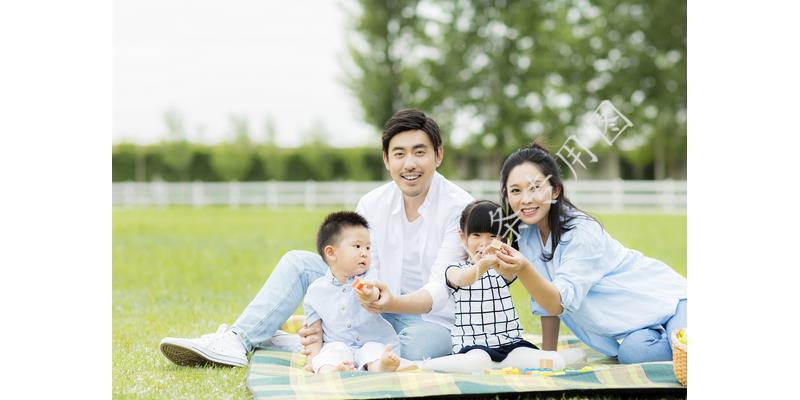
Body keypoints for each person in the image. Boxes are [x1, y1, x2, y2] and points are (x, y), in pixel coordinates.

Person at [159, 109, 474, 367]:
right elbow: (358, 269)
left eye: (420, 153)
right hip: (369, 305)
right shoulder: (372, 203)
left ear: (438, 155)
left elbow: (441, 290)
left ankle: (302, 342)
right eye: (399, 154)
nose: (410, 164)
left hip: (425, 319)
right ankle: (239, 339)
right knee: (299, 263)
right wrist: (346, 303)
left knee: (423, 349)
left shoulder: (460, 207)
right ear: (386, 159)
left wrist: (388, 302)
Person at [489, 142, 687, 364]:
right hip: (644, 321)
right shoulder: (527, 235)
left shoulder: (582, 232)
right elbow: (546, 303)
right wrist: (548, 359)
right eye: (515, 190)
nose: (525, 199)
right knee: (634, 354)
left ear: (555, 190)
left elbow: (558, 302)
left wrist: (523, 269)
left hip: (675, 303)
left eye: (535, 187)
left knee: (687, 352)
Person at [415, 200, 585, 373]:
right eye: (476, 235)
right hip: (475, 347)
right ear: (462, 236)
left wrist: (497, 259)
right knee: (476, 363)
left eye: (492, 236)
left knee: (553, 362)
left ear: (503, 239)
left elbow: (512, 272)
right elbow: (462, 280)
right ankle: (423, 365)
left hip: (510, 345)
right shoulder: (455, 269)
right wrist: (482, 264)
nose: (484, 242)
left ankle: (554, 360)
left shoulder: (502, 268)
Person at [303, 211, 402, 373]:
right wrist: (312, 360)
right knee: (331, 352)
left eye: (368, 247)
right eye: (357, 246)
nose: (364, 252)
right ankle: (333, 371)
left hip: (372, 341)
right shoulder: (315, 292)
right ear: (331, 253)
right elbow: (314, 334)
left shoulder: (369, 277)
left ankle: (381, 366)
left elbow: (374, 292)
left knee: (374, 350)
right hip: (338, 345)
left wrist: (369, 295)